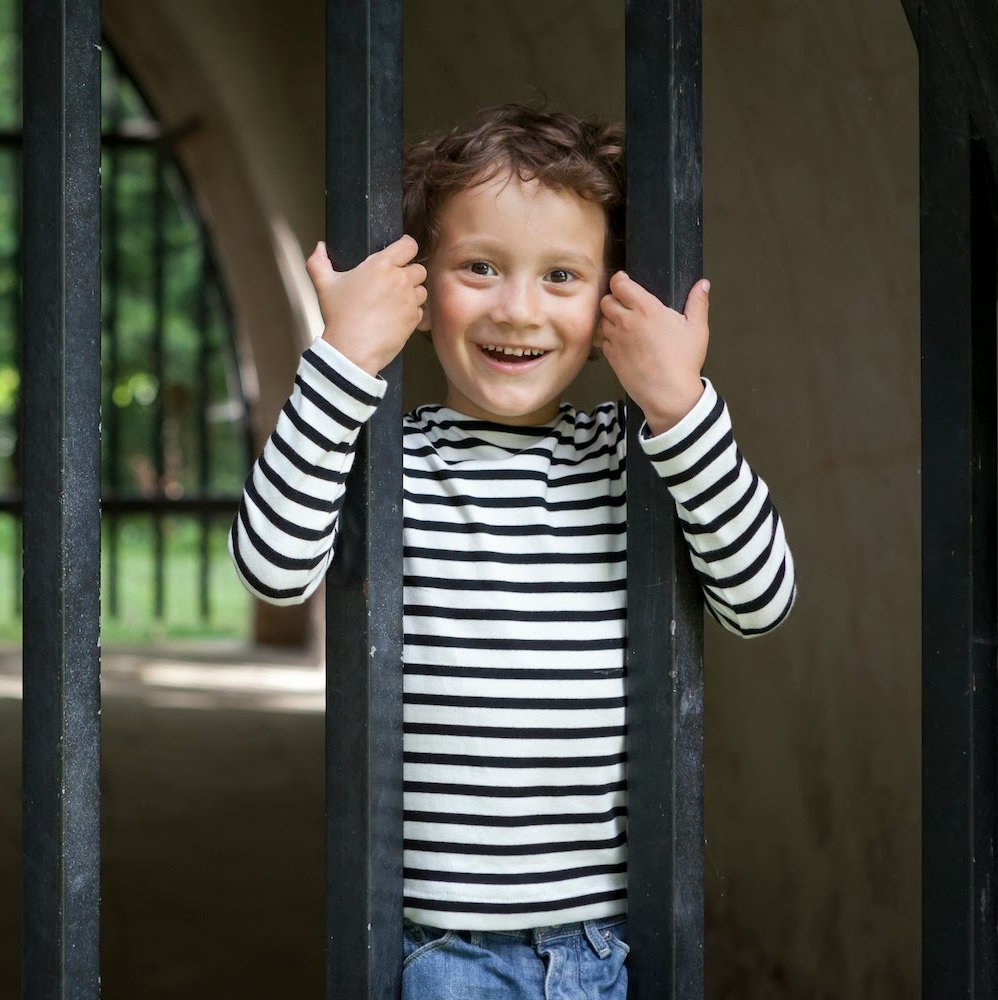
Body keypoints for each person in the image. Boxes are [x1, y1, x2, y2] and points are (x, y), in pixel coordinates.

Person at [229, 104, 795, 1000]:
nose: (518, 308)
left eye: (562, 275)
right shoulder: (388, 463)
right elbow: (273, 564)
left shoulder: (633, 456)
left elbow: (760, 599)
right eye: (480, 267)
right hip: (440, 951)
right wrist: (341, 360)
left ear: (610, 298)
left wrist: (680, 406)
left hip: (602, 946)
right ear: (420, 289)